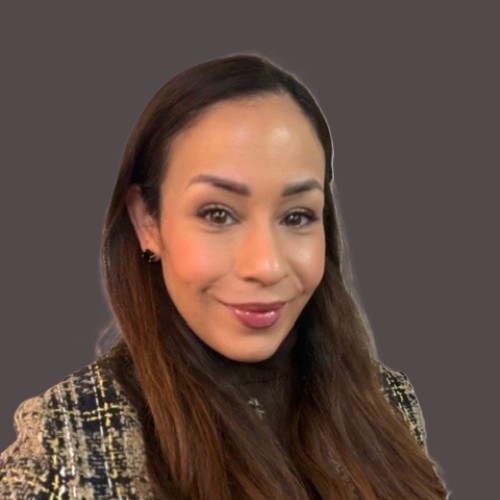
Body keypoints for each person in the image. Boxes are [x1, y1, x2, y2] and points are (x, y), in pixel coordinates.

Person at [0, 54, 447, 499]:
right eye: (217, 214)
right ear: (147, 222)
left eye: (296, 216)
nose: (266, 265)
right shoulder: (68, 443)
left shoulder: (389, 404)